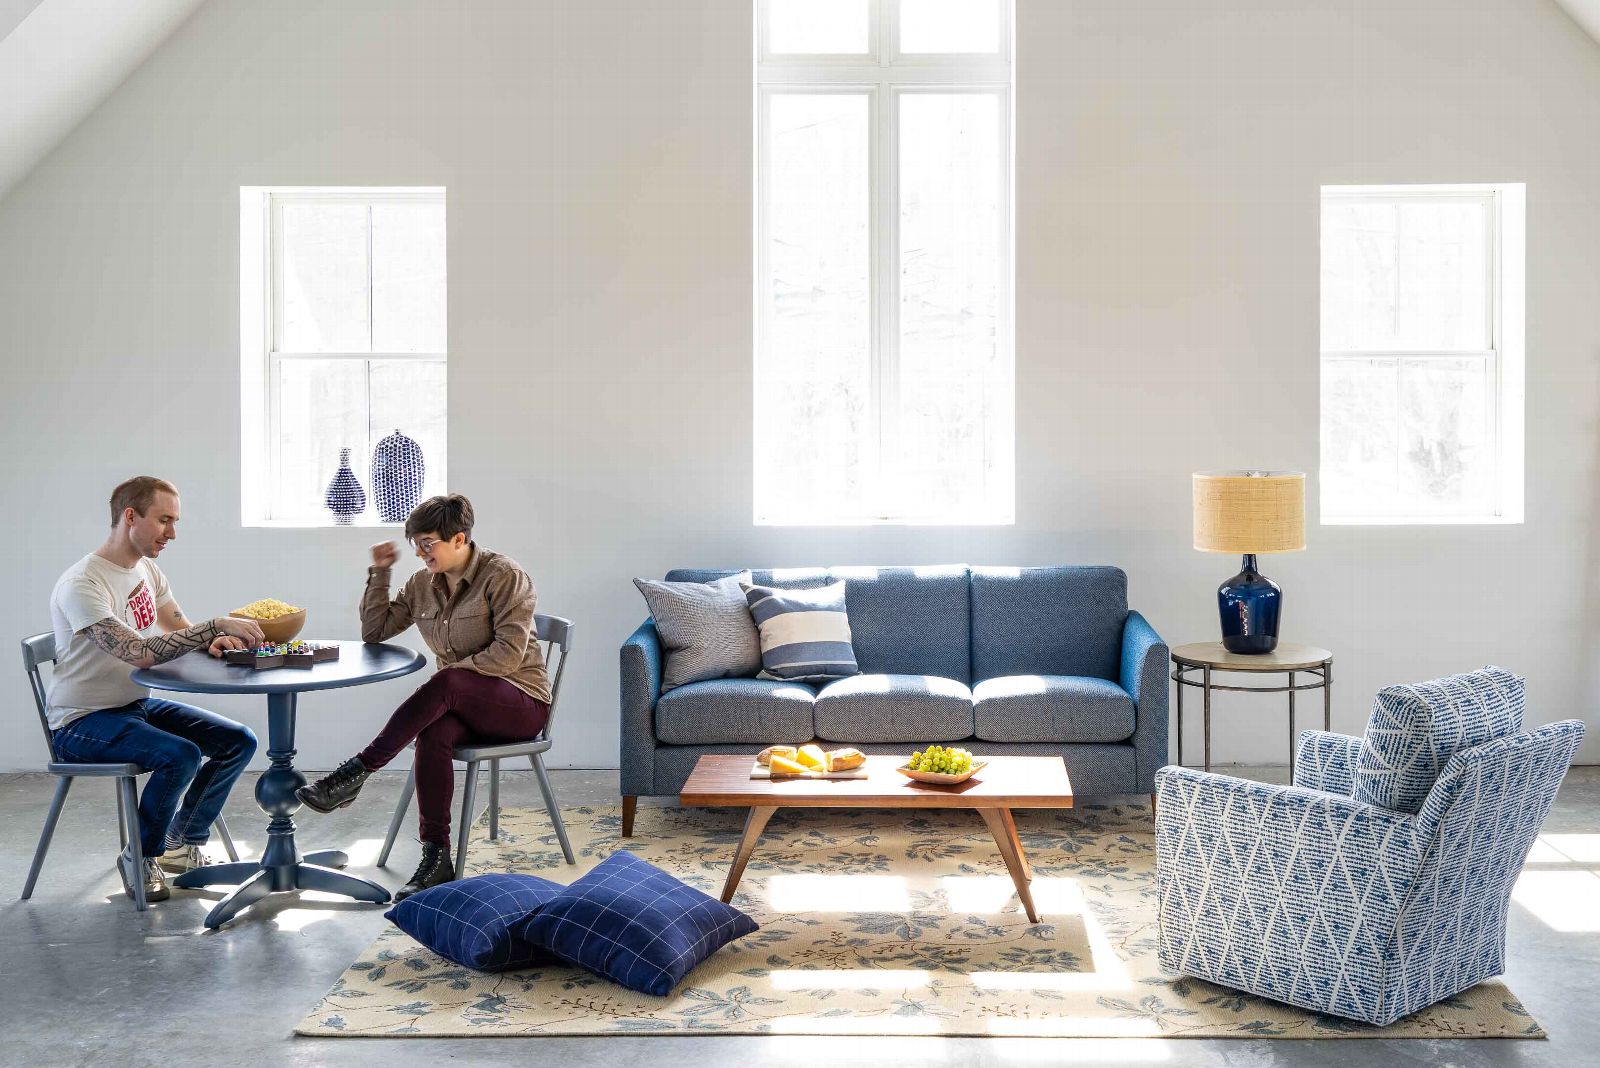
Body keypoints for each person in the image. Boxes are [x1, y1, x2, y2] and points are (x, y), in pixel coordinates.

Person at [297, 494, 552, 901]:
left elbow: (507, 656)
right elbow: (375, 631)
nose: (420, 551)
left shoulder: (503, 575)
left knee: (448, 681)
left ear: (460, 539)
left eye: (428, 542)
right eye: (416, 542)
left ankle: (356, 772)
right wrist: (380, 573)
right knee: (433, 736)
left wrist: (453, 676)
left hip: (520, 703)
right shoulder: (421, 584)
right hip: (459, 704)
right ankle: (437, 858)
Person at [47, 477, 263, 904]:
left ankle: (182, 844)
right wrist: (216, 625)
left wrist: (210, 640)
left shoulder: (146, 569)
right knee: (179, 755)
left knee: (237, 741)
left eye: (175, 521)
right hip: (81, 722)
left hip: (133, 706)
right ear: (131, 516)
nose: (172, 533)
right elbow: (137, 652)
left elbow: (178, 629)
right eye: (164, 520)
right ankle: (141, 855)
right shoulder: (82, 584)